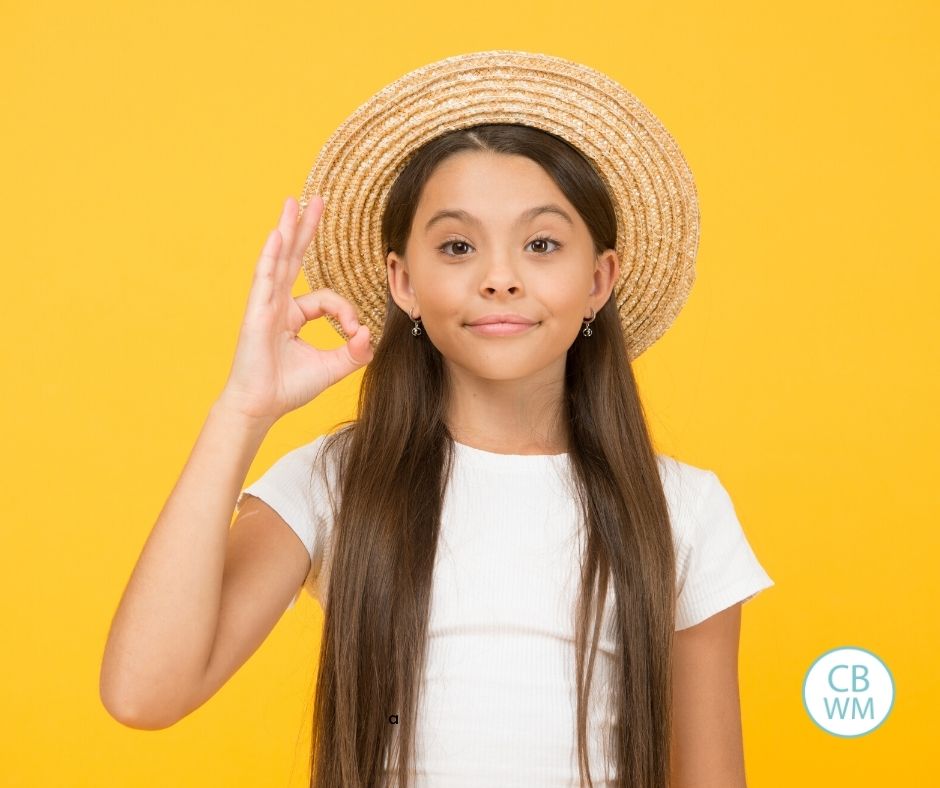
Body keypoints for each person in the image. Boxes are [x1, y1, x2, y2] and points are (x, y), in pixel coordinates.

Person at [100, 51, 775, 788]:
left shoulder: (683, 508)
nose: (499, 275)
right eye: (457, 246)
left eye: (542, 244)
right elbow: (143, 694)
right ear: (404, 283)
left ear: (598, 281)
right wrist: (243, 409)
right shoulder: (340, 481)